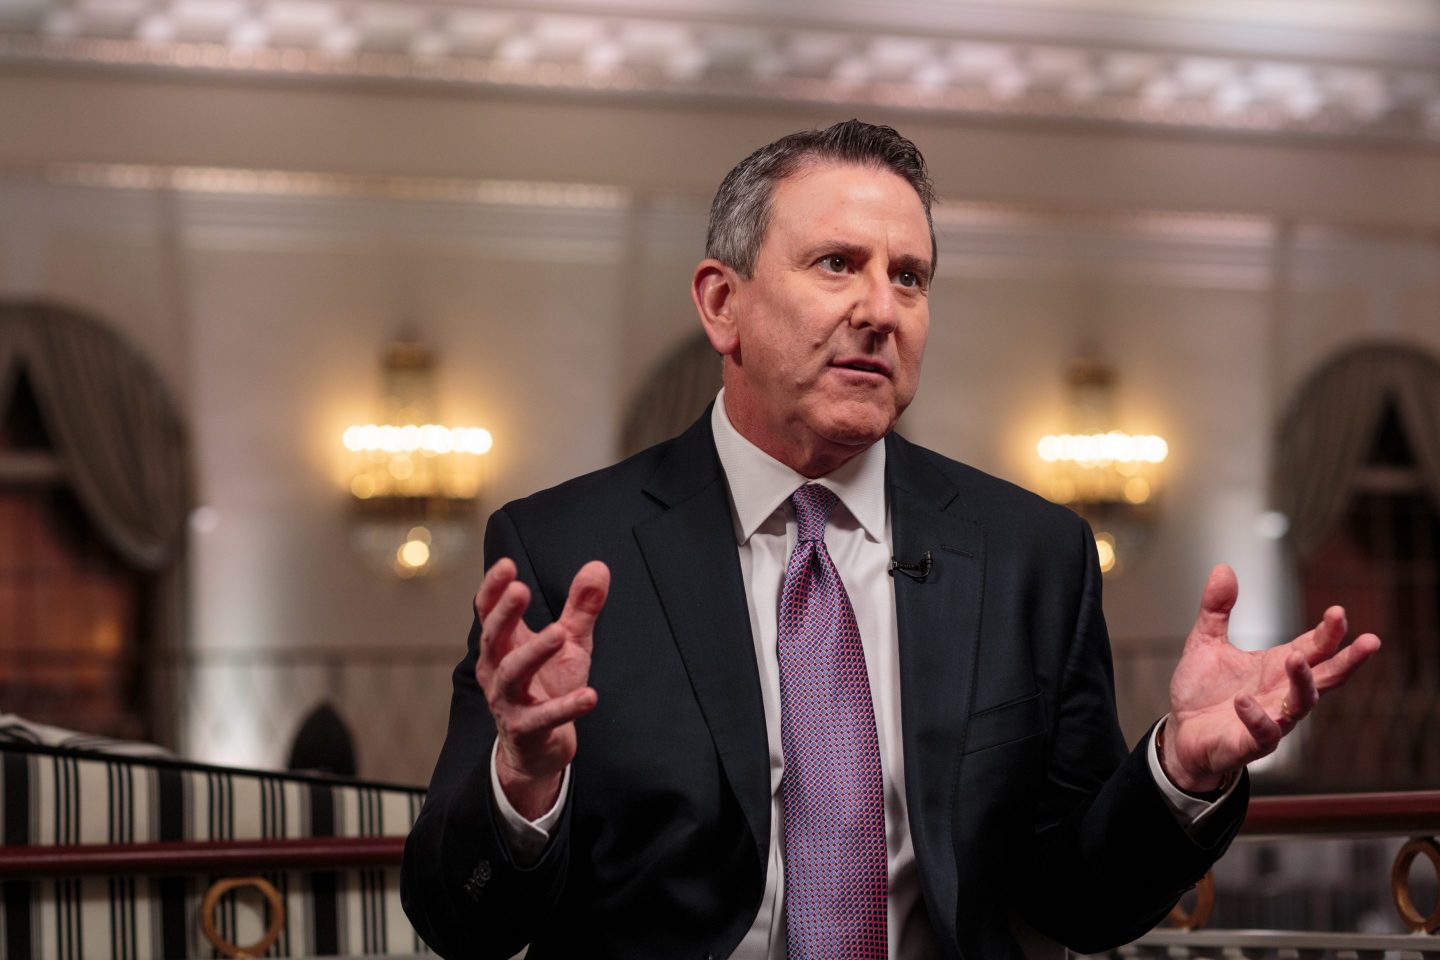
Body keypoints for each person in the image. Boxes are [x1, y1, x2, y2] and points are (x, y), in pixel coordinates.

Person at [401, 120, 1380, 960]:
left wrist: (1181, 769)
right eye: (838, 264)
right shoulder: (562, 548)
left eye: (909, 278)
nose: (880, 309)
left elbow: (1079, 899)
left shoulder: (1029, 556)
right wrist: (524, 786)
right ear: (721, 303)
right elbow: (460, 921)